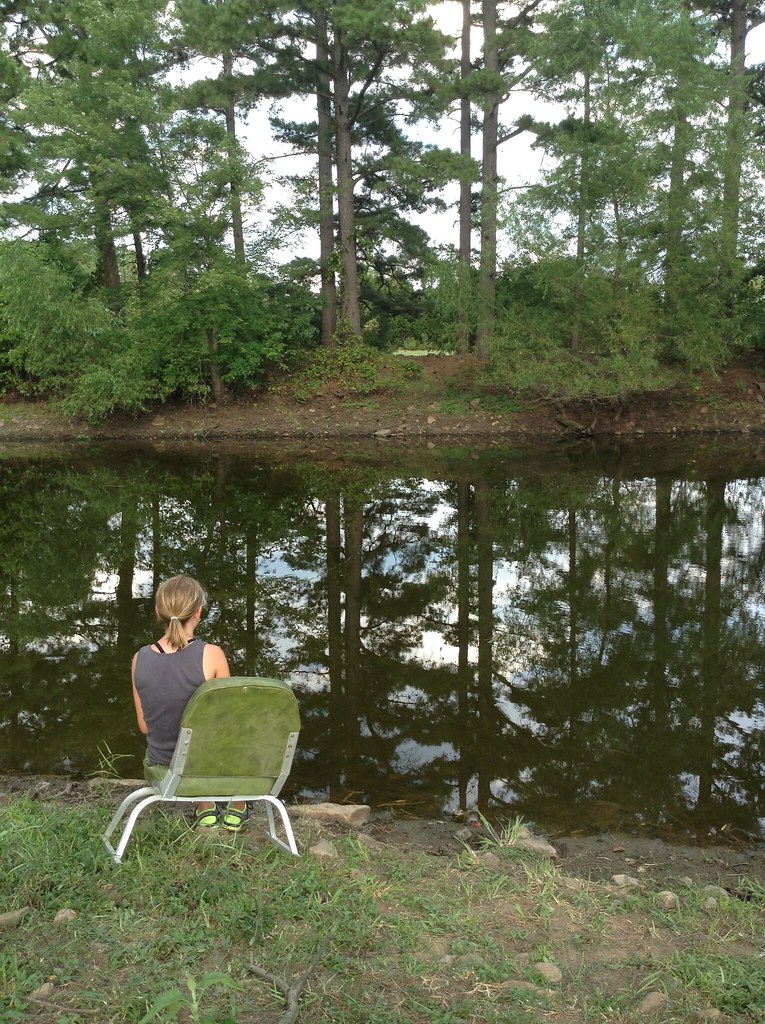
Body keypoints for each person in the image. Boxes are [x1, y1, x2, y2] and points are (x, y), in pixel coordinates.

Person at [131, 574, 248, 832]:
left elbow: (145, 727)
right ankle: (237, 808)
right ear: (198, 612)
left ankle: (205, 810)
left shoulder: (139, 659)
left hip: (164, 771)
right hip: (205, 772)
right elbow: (227, 723)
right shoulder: (212, 654)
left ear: (157, 611)